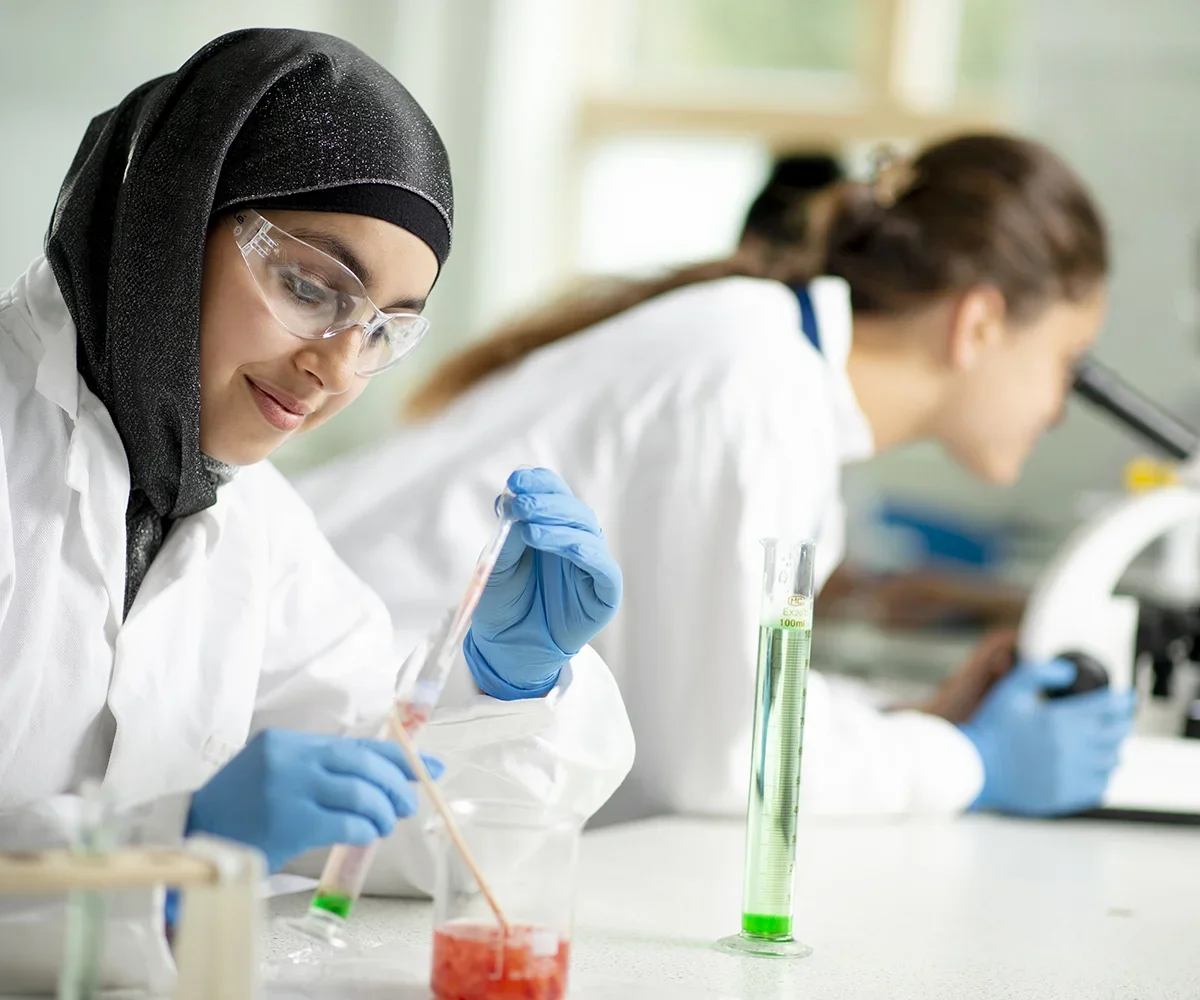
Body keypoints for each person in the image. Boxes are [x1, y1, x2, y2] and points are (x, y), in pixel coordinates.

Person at [0, 28, 633, 992]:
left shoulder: (240, 512)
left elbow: (402, 841)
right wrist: (173, 854)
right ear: (174, 218)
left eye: (385, 328)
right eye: (308, 287)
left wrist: (505, 688)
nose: (338, 366)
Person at [298, 132, 1136, 825]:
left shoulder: (766, 357)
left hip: (392, 749)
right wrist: (972, 764)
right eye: (1068, 362)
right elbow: (715, 766)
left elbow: (727, 699)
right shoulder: (754, 387)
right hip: (328, 739)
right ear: (981, 323)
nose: (1063, 405)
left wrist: (920, 725)